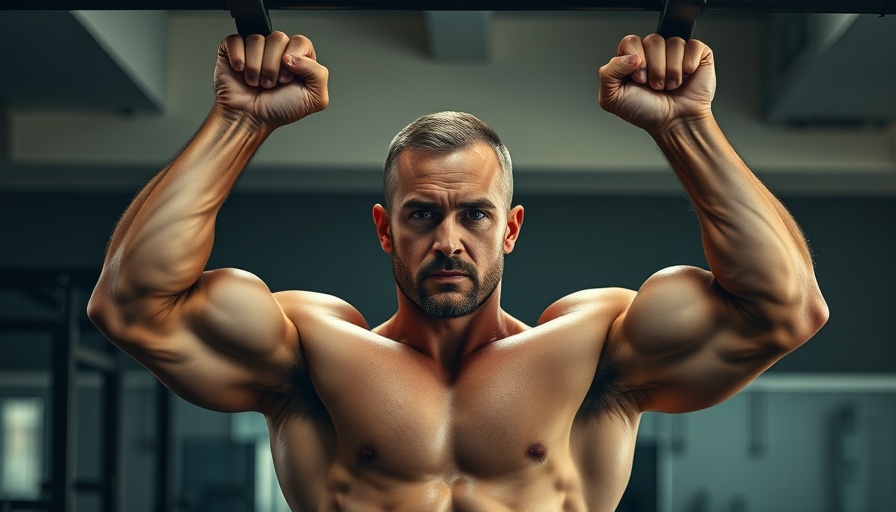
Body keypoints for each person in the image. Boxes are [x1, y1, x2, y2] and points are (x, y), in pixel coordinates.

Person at [88, 30, 828, 511]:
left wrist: (685, 128)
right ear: (385, 230)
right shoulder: (313, 356)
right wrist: (239, 121)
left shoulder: (593, 355)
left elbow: (785, 310)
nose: (448, 240)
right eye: (421, 215)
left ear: (510, 229)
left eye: (474, 214)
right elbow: (131, 305)